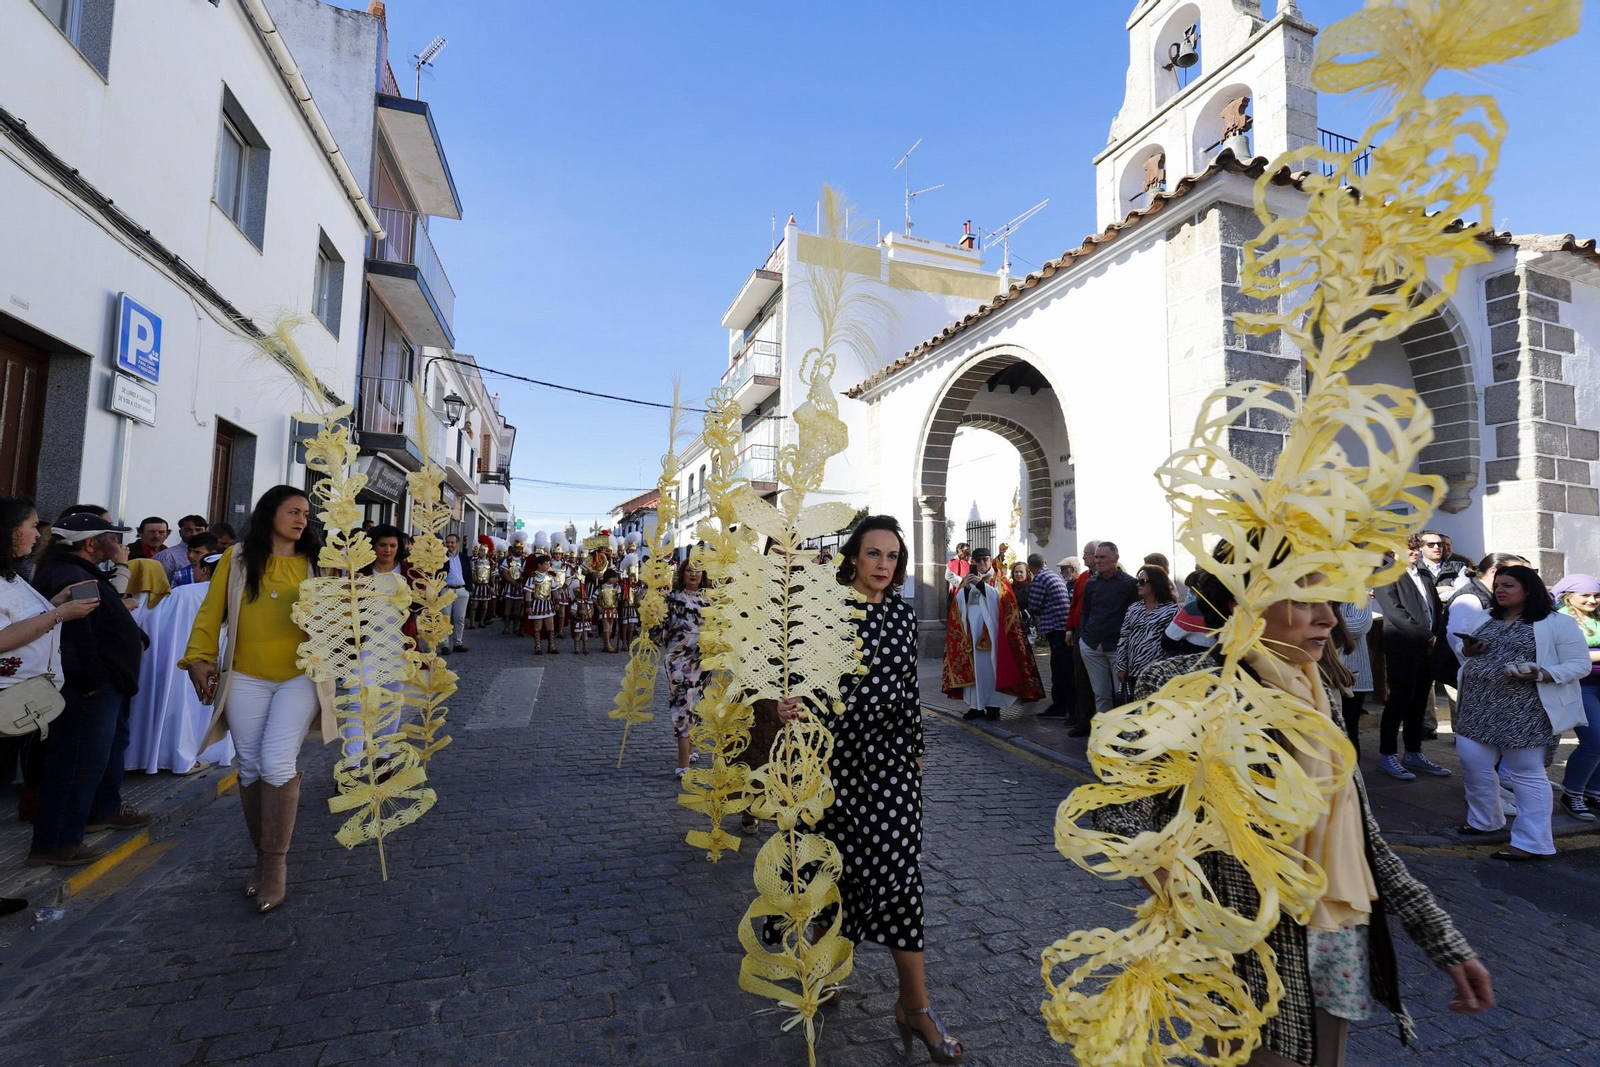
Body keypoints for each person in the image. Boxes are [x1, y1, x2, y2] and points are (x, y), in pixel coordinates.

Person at [1104, 561, 1493, 1065]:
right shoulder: (1186, 686)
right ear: (1245, 605)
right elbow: (1123, 805)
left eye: (1329, 601)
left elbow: (1362, 837)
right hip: (1247, 942)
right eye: (1306, 601)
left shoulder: (1318, 690)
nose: (1329, 617)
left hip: (1337, 934)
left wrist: (1445, 942)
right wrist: (1172, 881)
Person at [779, 516, 965, 1064]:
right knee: (834, 870)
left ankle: (915, 1005)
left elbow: (907, 690)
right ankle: (826, 967)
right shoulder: (824, 612)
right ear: (854, 558)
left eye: (892, 556)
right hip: (832, 764)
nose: (884, 564)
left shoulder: (903, 616)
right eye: (874, 554)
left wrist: (916, 749)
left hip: (890, 764)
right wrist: (786, 707)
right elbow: (800, 682)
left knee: (900, 873)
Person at [180, 486, 337, 912]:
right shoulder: (237, 559)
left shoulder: (320, 562)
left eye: (305, 513)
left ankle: (275, 865)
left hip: (300, 677)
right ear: (270, 513)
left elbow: (341, 621)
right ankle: (263, 859)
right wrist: (198, 658)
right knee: (249, 766)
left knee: (277, 762)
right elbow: (211, 611)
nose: (302, 519)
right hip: (245, 676)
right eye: (293, 511)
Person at [29, 512, 152, 867]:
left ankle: (100, 811)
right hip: (90, 689)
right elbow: (76, 634)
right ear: (91, 544)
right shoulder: (74, 575)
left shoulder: (80, 570)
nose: (119, 544)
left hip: (101, 684)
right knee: (77, 761)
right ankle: (55, 842)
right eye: (113, 537)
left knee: (100, 753)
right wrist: (95, 681)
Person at [0, 499, 104, 887]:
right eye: (31, 526)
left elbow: (27, 618)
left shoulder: (13, 576)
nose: (37, 534)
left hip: (25, 698)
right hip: (7, 697)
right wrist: (59, 614)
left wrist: (56, 603)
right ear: (10, 531)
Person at [1454, 565, 1590, 859]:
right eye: (1497, 586)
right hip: (1477, 706)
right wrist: (1468, 650)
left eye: (1508, 585)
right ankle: (1484, 820)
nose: (1499, 590)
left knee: (1526, 774)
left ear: (1528, 589)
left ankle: (1531, 842)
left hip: (1526, 710)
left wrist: (1540, 673)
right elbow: (1463, 652)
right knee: (1473, 764)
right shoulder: (1486, 616)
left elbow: (1580, 665)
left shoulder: (1557, 623)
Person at [127, 551, 235, 776]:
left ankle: (173, 757)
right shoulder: (231, 595)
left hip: (177, 666)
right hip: (213, 663)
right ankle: (209, 752)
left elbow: (153, 624)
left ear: (205, 569)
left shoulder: (183, 593)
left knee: (178, 711)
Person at [1372, 551, 1451, 781]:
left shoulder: (1424, 575)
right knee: (1399, 701)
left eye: (1416, 547)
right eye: (1407, 547)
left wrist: (1437, 636)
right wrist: (1427, 636)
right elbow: (1395, 612)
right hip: (1402, 646)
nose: (1414, 552)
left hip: (1427, 648)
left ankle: (1413, 752)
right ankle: (1387, 755)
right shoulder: (1385, 574)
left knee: (1419, 702)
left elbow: (1434, 608)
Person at [943, 546, 1040, 722]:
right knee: (974, 671)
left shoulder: (998, 579)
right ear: (972, 562)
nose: (982, 563)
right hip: (970, 632)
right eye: (978, 560)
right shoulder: (966, 580)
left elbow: (1005, 602)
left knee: (990, 670)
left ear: (990, 560)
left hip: (992, 634)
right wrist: (967, 588)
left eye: (985, 559)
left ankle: (993, 707)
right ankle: (975, 707)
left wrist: (981, 585)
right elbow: (957, 604)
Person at [656, 558, 711, 778]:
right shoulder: (670, 599)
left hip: (702, 662)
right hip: (678, 661)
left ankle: (690, 749)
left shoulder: (710, 600)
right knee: (681, 705)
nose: (694, 574)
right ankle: (683, 764)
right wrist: (651, 618)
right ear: (682, 573)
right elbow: (659, 634)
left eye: (698, 571)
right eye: (689, 570)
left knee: (696, 705)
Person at [1075, 541, 1139, 718]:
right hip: (1091, 645)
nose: (1098, 561)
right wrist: (1083, 637)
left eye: (1102, 557)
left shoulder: (1129, 584)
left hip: (1117, 648)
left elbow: (1135, 614)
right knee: (1101, 695)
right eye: (1096, 557)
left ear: (1115, 558)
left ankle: (1124, 731)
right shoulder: (1091, 583)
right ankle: (1104, 731)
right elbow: (1086, 611)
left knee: (1123, 695)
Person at [1554, 575, 1600, 820]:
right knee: (1594, 742)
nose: (1592, 600)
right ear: (1568, 596)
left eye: (1597, 595)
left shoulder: (1597, 615)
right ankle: (1572, 793)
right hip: (1580, 686)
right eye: (1586, 595)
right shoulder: (1559, 619)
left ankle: (1594, 792)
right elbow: (1569, 654)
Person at [1113, 564, 1179, 703]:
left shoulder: (1172, 610)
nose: (1138, 584)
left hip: (1159, 673)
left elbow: (1175, 644)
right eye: (1138, 581)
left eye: (1142, 581)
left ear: (1155, 584)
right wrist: (1121, 666)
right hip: (1134, 672)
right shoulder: (1134, 608)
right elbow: (1124, 638)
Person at [1063, 541, 1099, 732]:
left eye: (1087, 554)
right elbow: (1074, 605)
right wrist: (1069, 630)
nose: (1083, 557)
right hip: (1080, 633)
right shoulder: (1083, 577)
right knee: (1081, 678)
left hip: (1100, 635)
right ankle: (1083, 720)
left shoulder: (1113, 577)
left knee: (1100, 683)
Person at [1338, 599, 1376, 755]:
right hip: (1322, 674)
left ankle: (1354, 770)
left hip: (1353, 675)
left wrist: (1322, 622)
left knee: (1349, 730)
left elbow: (1360, 625)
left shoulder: (1357, 594)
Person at [437, 533, 471, 654]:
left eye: (452, 542)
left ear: (458, 543)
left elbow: (468, 573)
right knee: (445, 618)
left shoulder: (464, 557)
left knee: (459, 618)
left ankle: (458, 643)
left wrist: (468, 589)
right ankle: (444, 645)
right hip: (447, 589)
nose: (449, 545)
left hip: (462, 590)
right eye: (447, 542)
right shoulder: (441, 557)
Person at [523, 553, 558, 654]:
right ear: (539, 565)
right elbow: (528, 591)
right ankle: (538, 647)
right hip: (537, 604)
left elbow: (554, 590)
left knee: (550, 626)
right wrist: (528, 605)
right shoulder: (533, 576)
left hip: (548, 604)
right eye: (546, 564)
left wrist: (557, 602)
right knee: (537, 626)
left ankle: (551, 646)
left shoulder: (550, 577)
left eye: (548, 564)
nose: (547, 566)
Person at [500, 538, 528, 635]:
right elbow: (504, 572)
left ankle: (516, 627)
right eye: (517, 548)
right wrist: (512, 581)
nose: (519, 550)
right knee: (508, 608)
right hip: (509, 587)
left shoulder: (524, 561)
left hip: (519, 587)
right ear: (514, 549)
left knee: (517, 609)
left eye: (520, 549)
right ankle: (506, 627)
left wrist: (519, 581)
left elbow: (525, 573)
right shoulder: (508, 560)